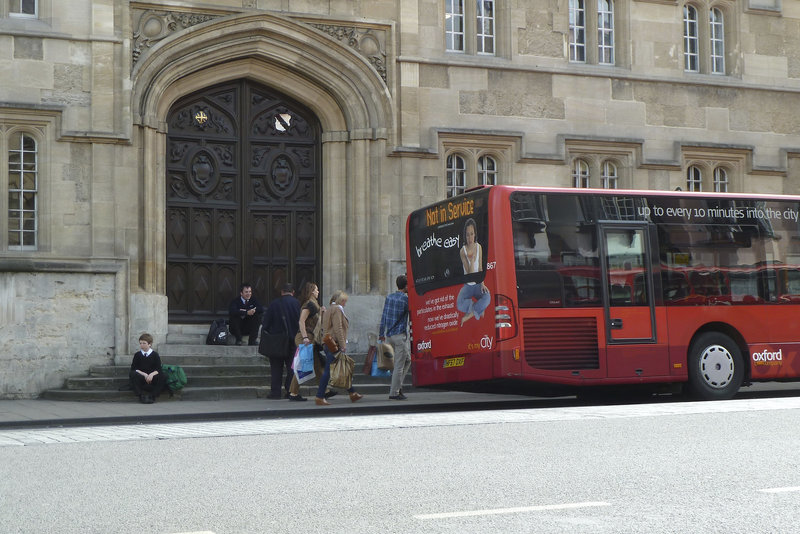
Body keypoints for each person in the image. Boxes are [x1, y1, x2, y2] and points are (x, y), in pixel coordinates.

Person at [315, 290, 363, 406]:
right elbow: (338, 328)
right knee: (329, 370)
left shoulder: (328, 310)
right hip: (334, 344)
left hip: (328, 343)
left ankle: (352, 393)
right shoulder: (337, 309)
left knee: (342, 367)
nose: (345, 303)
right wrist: (343, 345)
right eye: (344, 301)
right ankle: (320, 396)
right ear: (340, 300)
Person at [286, 282, 330, 401]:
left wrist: (322, 312)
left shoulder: (314, 304)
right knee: (301, 365)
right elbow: (301, 321)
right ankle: (293, 393)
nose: (318, 292)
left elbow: (315, 320)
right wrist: (305, 337)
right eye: (316, 290)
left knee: (317, 364)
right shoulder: (309, 304)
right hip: (306, 338)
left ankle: (324, 390)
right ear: (311, 291)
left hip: (311, 338)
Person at [261, 283, 300, 399]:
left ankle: (275, 392)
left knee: (276, 368)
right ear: (292, 292)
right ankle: (290, 390)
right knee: (291, 367)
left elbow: (266, 323)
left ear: (282, 292)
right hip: (293, 340)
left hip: (277, 340)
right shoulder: (297, 304)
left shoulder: (274, 304)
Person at [380, 274, 410, 400]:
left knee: (407, 360)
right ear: (406, 286)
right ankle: (394, 392)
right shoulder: (405, 299)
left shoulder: (389, 297)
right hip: (399, 336)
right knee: (399, 365)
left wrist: (381, 333)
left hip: (389, 336)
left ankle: (398, 386)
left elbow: (384, 316)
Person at [457, 218, 491, 326]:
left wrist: (483, 284)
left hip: (477, 283)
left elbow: (480, 267)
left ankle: (471, 314)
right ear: (465, 236)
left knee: (487, 297)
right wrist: (471, 260)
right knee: (459, 304)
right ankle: (477, 309)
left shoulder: (478, 247)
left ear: (475, 234)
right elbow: (469, 275)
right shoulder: (463, 251)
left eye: (472, 234)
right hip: (468, 285)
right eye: (467, 235)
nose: (470, 238)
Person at [129, 333, 167, 404]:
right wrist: (145, 375)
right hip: (142, 377)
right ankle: (140, 395)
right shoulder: (137, 355)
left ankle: (153, 395)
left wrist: (151, 375)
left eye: (144, 343)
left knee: (163, 376)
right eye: (140, 343)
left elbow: (158, 369)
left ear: (149, 344)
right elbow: (134, 368)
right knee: (133, 374)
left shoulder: (155, 355)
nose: (142, 345)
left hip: (152, 377)